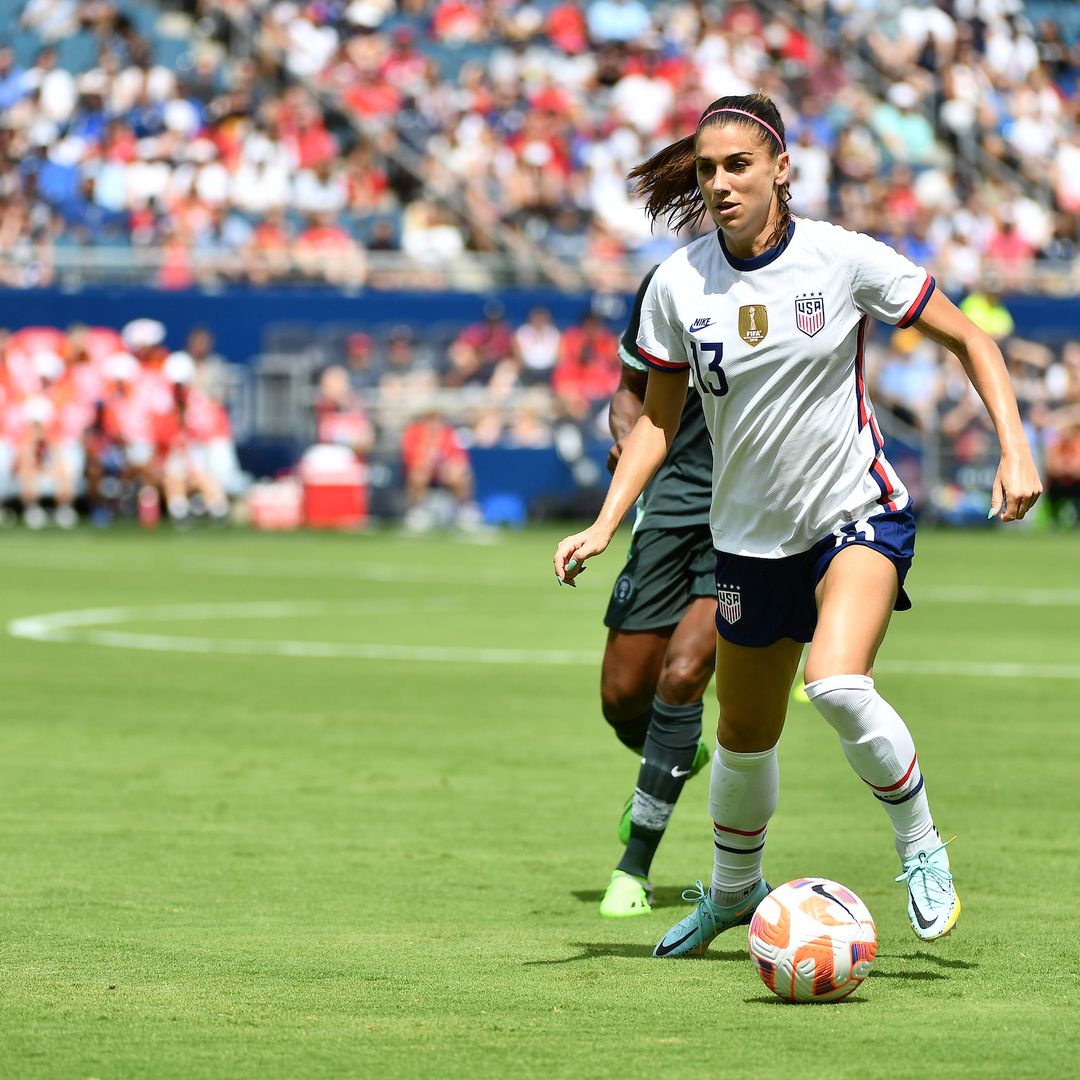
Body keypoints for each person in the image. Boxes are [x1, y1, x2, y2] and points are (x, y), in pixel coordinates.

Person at [553, 92, 1041, 954]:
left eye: (738, 165)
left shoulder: (841, 259)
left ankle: (921, 846)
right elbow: (660, 424)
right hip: (748, 540)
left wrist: (1015, 449)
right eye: (706, 169)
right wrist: (603, 524)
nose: (719, 183)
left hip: (856, 512)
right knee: (743, 738)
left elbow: (974, 340)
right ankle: (735, 893)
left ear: (782, 168)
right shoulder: (677, 284)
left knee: (836, 682)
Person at [595, 265, 718, 918]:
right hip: (671, 502)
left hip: (751, 511)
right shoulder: (669, 283)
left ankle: (633, 867)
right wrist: (626, 444)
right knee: (622, 697)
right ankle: (675, 753)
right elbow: (629, 393)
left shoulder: (797, 278)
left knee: (684, 673)